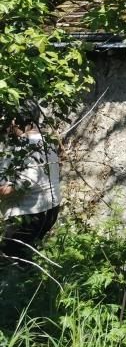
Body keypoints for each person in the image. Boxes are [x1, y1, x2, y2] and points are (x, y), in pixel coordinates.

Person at [0, 108, 61, 263]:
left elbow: (13, 188)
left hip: (27, 216)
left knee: (12, 264)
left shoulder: (23, 147)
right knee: (26, 260)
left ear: (14, 122)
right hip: (50, 210)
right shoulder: (47, 142)